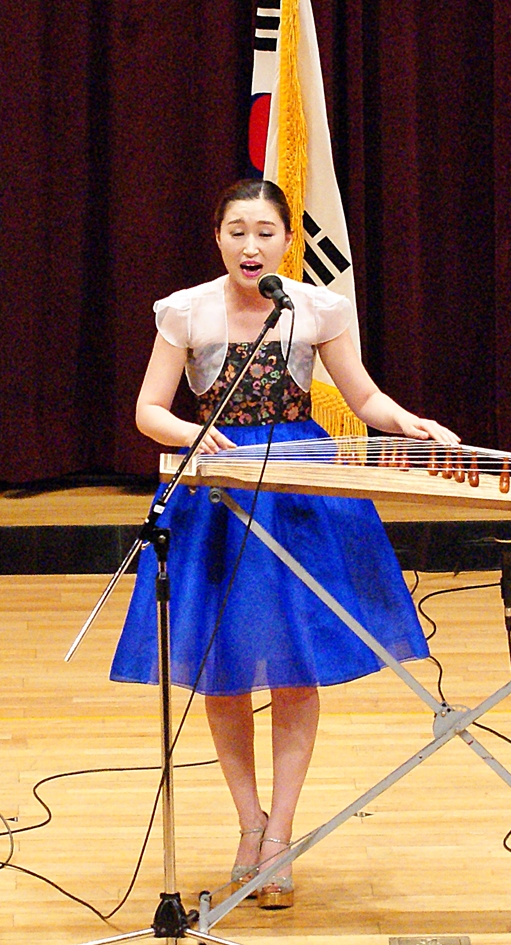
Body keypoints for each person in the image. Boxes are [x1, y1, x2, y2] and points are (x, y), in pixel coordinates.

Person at [110, 178, 458, 910]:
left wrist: (407, 422)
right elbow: (149, 410)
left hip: (299, 486)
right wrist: (197, 434)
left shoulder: (315, 307)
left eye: (266, 232)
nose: (251, 245)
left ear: (288, 241)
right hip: (219, 491)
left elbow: (363, 397)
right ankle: (248, 824)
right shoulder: (186, 310)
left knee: (296, 665)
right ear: (217, 237)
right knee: (223, 667)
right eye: (237, 231)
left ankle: (281, 836)